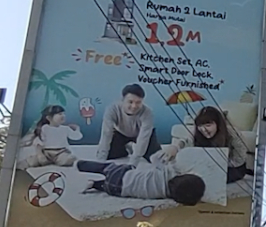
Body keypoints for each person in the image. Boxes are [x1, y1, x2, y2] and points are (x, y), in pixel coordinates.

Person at [157, 106, 253, 183]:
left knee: (205, 178)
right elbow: (186, 140)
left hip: (233, 167)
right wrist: (175, 147)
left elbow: (240, 159)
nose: (204, 130)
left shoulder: (233, 134)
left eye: (208, 125)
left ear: (218, 124)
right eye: (200, 126)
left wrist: (217, 163)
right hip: (209, 165)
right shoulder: (197, 132)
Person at [76, 159, 205, 206]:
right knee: (106, 186)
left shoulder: (166, 173)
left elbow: (158, 162)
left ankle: (82, 165)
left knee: (107, 167)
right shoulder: (164, 195)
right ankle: (94, 184)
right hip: (117, 190)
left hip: (120, 174)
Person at [95, 84, 160, 165]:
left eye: (138, 102)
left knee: (156, 158)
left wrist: (133, 163)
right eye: (130, 102)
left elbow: (144, 138)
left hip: (141, 135)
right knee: (110, 154)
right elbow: (106, 134)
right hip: (121, 133)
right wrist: (100, 162)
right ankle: (127, 148)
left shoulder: (147, 113)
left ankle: (134, 149)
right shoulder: (112, 109)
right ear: (122, 100)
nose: (134, 106)